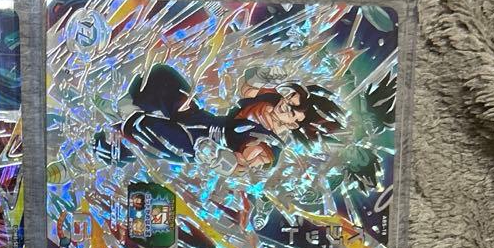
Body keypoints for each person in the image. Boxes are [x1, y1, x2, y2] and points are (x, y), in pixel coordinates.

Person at [97, 63, 343, 172]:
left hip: (198, 146)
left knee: (149, 131)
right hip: (201, 119)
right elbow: (248, 90)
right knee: (162, 75)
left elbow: (244, 162)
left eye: (291, 110)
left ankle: (120, 131)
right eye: (289, 100)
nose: (284, 105)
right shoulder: (270, 100)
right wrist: (262, 76)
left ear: (296, 124)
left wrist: (222, 160)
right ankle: (127, 107)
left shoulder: (270, 146)